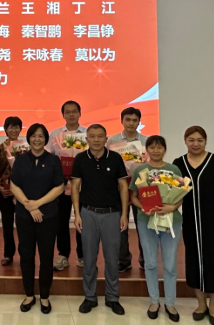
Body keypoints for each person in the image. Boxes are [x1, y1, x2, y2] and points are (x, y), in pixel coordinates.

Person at [173, 126, 214, 325]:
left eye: (200, 140)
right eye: (191, 140)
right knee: (195, 260)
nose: (196, 144)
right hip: (191, 222)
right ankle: (201, 305)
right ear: (185, 141)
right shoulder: (178, 164)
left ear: (205, 141)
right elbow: (174, 191)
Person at [72, 124, 129, 316]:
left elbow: (123, 187)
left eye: (100, 136)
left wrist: (124, 214)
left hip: (112, 214)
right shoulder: (80, 159)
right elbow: (75, 187)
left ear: (106, 139)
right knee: (88, 258)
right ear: (86, 139)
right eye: (92, 136)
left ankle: (112, 297)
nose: (96, 140)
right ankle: (90, 297)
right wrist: (77, 214)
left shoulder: (115, 158)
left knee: (112, 259)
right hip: (88, 213)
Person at [10, 124, 64, 314]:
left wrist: (37, 204)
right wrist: (29, 206)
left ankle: (45, 296)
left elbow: (59, 187)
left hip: (48, 215)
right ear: (29, 138)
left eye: (41, 136)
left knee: (46, 256)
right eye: (33, 136)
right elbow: (13, 185)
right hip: (24, 216)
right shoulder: (20, 160)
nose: (37, 139)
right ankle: (29, 294)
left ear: (46, 139)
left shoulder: (53, 160)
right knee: (26, 255)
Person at [130, 135, 183, 322]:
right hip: (146, 221)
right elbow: (133, 196)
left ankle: (170, 303)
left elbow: (181, 195)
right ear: (147, 150)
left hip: (171, 221)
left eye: (159, 147)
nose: (156, 150)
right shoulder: (140, 170)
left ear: (165, 149)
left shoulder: (173, 169)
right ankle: (154, 301)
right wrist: (143, 207)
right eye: (152, 147)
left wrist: (172, 207)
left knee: (170, 265)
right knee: (150, 263)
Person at [47, 100, 86, 271]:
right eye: (67, 112)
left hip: (83, 186)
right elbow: (49, 157)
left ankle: (83, 256)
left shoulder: (87, 134)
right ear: (63, 115)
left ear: (79, 113)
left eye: (74, 111)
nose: (71, 114)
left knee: (83, 220)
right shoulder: (55, 134)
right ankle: (63, 255)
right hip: (61, 186)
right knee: (61, 221)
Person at [107, 106, 148, 273]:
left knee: (143, 224)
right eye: (128, 120)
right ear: (121, 121)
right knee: (120, 225)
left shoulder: (146, 141)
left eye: (134, 120)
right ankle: (123, 260)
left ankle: (145, 259)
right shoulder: (112, 141)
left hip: (141, 188)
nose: (131, 123)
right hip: (119, 188)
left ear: (139, 122)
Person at [0, 116, 23, 266]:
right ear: (5, 129)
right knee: (7, 223)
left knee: (23, 224)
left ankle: (24, 253)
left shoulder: (25, 148)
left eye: (16, 127)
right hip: (5, 192)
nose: (13, 130)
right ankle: (8, 254)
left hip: (22, 192)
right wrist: (0, 188)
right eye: (11, 127)